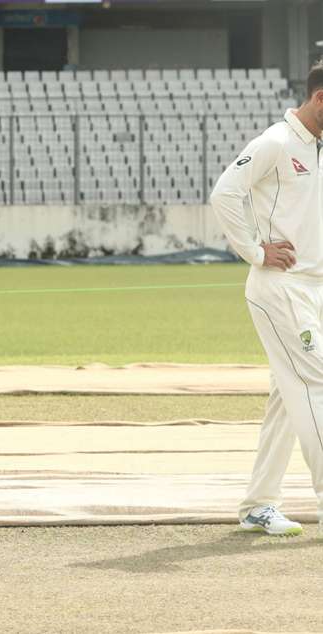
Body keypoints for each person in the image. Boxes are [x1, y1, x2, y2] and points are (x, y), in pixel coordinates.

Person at [211, 63, 323, 536]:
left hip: (312, 288)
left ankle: (259, 504)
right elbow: (224, 193)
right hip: (281, 288)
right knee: (316, 384)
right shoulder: (276, 142)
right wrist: (256, 252)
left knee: (287, 394)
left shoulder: (316, 147)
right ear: (320, 98)